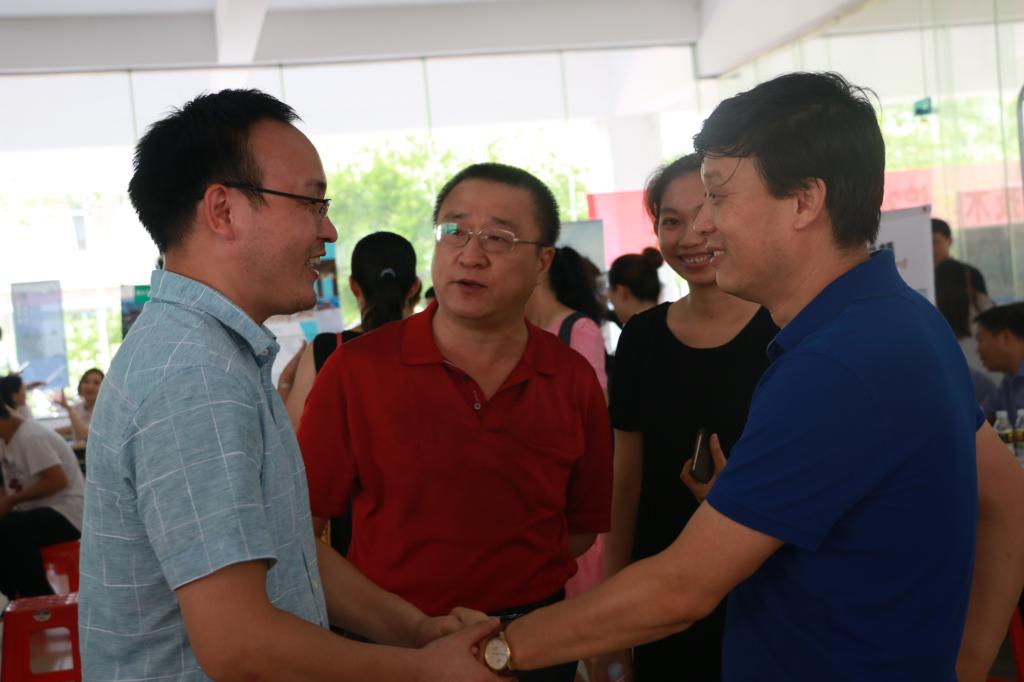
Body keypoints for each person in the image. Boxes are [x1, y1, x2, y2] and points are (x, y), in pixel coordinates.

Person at [471, 72, 1024, 682]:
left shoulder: (835, 365)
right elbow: (1008, 498)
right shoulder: (902, 318)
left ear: (804, 202)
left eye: (718, 197)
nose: (704, 225)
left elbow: (680, 588)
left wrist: (499, 649)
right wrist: (965, 664)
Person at [80, 89, 499, 682]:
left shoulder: (218, 351)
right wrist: (421, 671)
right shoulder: (196, 375)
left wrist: (414, 631)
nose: (329, 230)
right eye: (311, 203)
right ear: (224, 210)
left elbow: (289, 547)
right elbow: (238, 644)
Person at [298, 162, 613, 682]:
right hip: (392, 646)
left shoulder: (571, 378)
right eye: (454, 231)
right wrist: (414, 629)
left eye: (499, 237)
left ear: (543, 261)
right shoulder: (356, 369)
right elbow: (300, 531)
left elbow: (580, 528)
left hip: (533, 644)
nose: (470, 255)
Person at [598, 154, 779, 681]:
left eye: (707, 213)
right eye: (672, 221)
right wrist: (611, 613)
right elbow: (625, 482)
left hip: (766, 590)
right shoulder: (642, 338)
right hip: (660, 589)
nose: (692, 235)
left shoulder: (786, 330)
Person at [284, 231, 421, 431]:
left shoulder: (327, 349)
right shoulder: (434, 348)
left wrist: (285, 385)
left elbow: (293, 436)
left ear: (353, 286)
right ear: (414, 287)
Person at [0, 376, 85, 599]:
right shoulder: (4, 440)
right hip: (35, 512)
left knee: (11, 528)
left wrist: (11, 500)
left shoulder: (30, 435)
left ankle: (37, 596)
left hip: (67, 512)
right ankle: (12, 599)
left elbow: (58, 480)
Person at [933, 218, 994, 379]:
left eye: (935, 242)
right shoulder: (924, 278)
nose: (931, 249)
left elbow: (986, 318)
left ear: (949, 241)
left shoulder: (970, 273)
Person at [975, 302, 1024, 419]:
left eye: (980, 340)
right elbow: (981, 417)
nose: (978, 349)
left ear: (1006, 336)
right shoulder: (1009, 382)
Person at [606, 247, 662, 325]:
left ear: (621, 292)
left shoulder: (634, 330)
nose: (607, 295)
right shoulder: (673, 322)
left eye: (612, 303)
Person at [53, 367, 104, 442]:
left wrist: (68, 408)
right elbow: (73, 428)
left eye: (96, 383)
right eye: (86, 381)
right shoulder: (78, 407)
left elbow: (83, 436)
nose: (90, 386)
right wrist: (47, 432)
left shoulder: (104, 410)